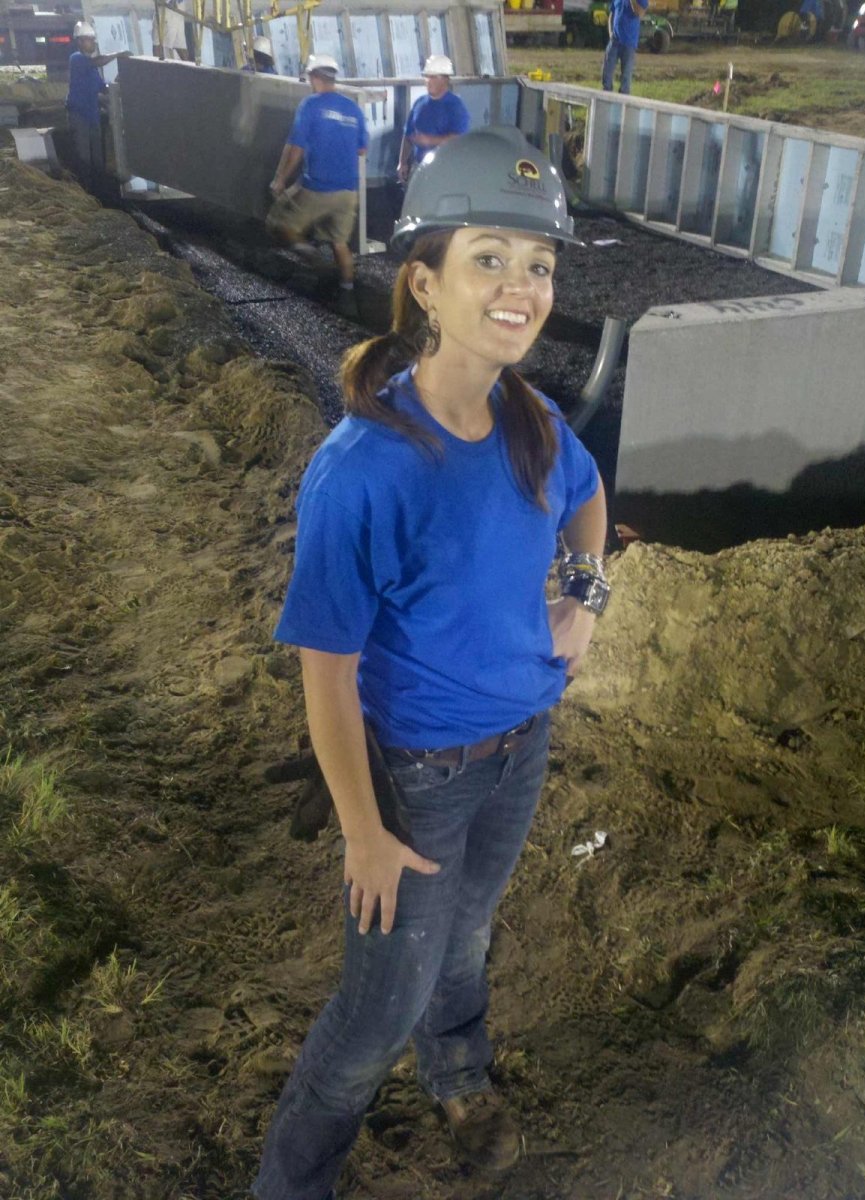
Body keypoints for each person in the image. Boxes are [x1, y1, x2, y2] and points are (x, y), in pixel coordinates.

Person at [252, 125, 611, 1200]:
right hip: (418, 779)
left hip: (519, 748)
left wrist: (584, 603)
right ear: (425, 280)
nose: (521, 287)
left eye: (538, 265)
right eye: (489, 260)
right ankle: (291, 1184)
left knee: (469, 938)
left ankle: (459, 1076)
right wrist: (363, 830)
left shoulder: (529, 413)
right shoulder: (365, 469)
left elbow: (591, 500)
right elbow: (324, 670)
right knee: (376, 1011)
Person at [268, 54, 368, 299]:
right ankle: (347, 294)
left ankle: (314, 263)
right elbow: (362, 149)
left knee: (280, 222)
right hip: (348, 191)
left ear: (314, 77)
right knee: (339, 243)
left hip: (317, 188)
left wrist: (281, 178)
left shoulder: (310, 105)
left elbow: (296, 148)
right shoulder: (353, 108)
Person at [65, 21, 131, 185]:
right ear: (80, 41)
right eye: (89, 39)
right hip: (80, 115)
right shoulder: (77, 59)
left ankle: (99, 189)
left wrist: (120, 80)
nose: (93, 42)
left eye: (93, 39)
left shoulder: (93, 69)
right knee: (84, 157)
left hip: (92, 116)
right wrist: (118, 54)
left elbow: (104, 89)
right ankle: (86, 188)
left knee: (97, 158)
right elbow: (98, 61)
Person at [396, 54, 470, 184]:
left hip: (445, 173)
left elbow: (460, 139)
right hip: (420, 169)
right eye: (427, 76)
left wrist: (430, 140)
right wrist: (402, 162)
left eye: (433, 77)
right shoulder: (419, 103)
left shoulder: (455, 106)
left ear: (445, 79)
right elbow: (408, 135)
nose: (428, 81)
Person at [602, 0, 649, 95]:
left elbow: (639, 13)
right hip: (615, 41)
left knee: (626, 76)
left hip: (629, 43)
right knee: (607, 70)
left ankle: (623, 100)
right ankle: (606, 95)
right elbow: (612, 14)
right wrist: (610, 32)